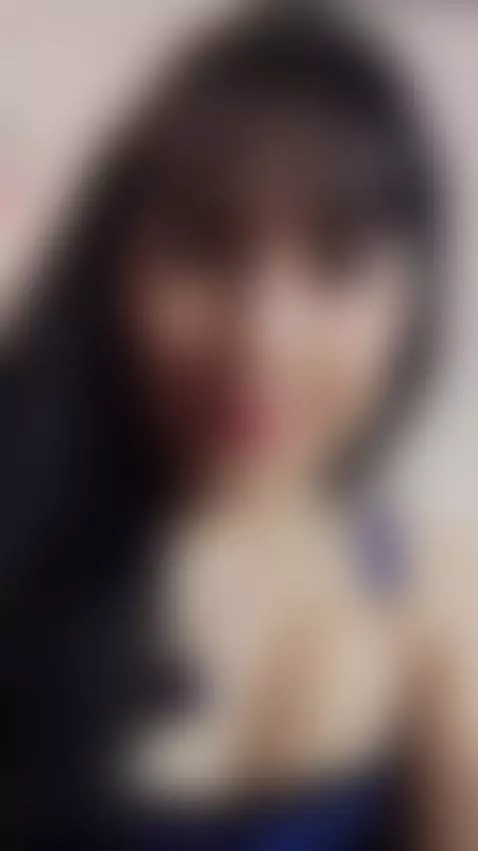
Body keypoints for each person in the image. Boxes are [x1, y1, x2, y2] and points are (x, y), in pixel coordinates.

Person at [1, 3, 475, 849]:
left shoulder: (433, 598)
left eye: (336, 262)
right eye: (204, 247)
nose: (263, 338)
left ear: (412, 297)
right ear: (114, 266)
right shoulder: (24, 523)